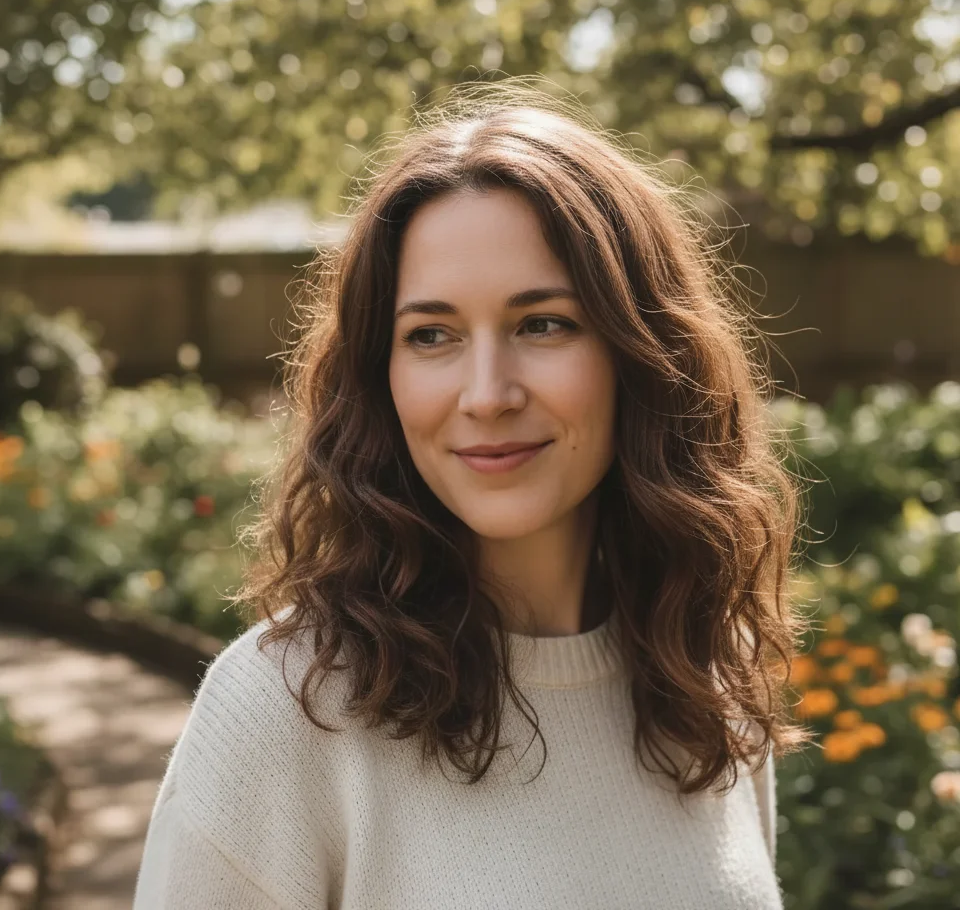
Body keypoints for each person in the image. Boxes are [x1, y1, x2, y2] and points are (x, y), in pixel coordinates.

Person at [132, 80, 813, 909]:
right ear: (380, 377)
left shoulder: (705, 680)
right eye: (431, 336)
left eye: (542, 324)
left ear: (644, 354)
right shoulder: (283, 717)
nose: (487, 394)